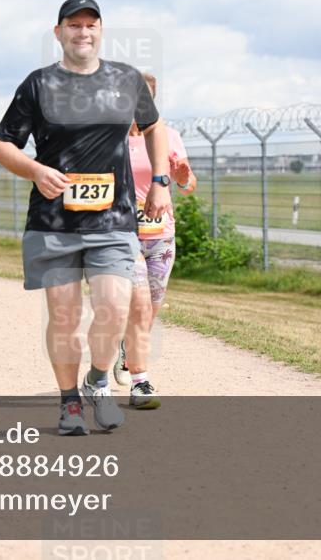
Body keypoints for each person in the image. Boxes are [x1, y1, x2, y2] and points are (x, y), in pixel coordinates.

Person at [0, 0, 171, 435]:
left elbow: (154, 126)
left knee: (113, 306)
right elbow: (0, 145)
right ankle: (70, 404)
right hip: (53, 223)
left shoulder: (126, 79)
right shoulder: (38, 84)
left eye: (91, 24)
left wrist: (161, 181)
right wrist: (34, 169)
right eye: (74, 25)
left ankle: (98, 381)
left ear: (101, 31)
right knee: (65, 317)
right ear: (58, 33)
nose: (82, 32)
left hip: (113, 221)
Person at [115, 73, 198, 409]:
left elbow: (189, 184)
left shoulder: (168, 136)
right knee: (139, 304)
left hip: (161, 233)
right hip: (122, 232)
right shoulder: (110, 138)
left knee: (152, 307)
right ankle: (140, 380)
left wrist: (182, 178)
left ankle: (127, 351)